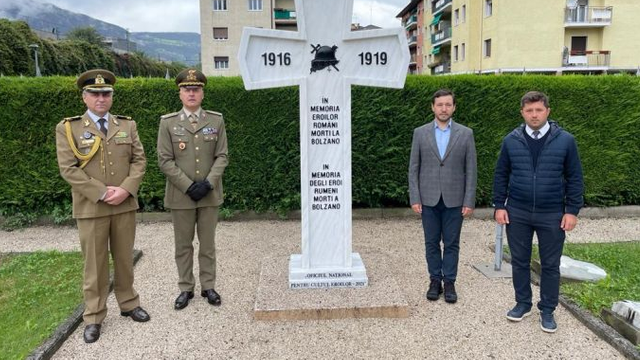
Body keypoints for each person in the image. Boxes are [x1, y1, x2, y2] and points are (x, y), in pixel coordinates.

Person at [55, 69, 150, 344]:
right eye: (95, 93)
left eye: (105, 93)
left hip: (123, 204)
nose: (101, 98)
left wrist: (126, 189)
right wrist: (100, 192)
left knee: (124, 259)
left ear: (111, 96)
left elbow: (139, 161)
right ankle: (94, 316)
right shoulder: (69, 128)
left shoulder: (126, 125)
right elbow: (68, 169)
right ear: (85, 97)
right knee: (94, 265)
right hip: (91, 207)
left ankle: (129, 303)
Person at [493, 91, 584, 333]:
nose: (534, 115)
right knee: (519, 261)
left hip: (552, 213)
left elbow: (575, 177)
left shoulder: (565, 140)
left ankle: (547, 310)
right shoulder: (511, 140)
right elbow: (501, 175)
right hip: (518, 212)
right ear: (522, 112)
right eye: (529, 111)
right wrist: (499, 206)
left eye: (539, 110)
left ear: (547, 111)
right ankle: (523, 303)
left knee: (550, 264)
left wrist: (572, 211)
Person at [157, 68, 228, 310]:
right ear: (180, 94)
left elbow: (222, 156)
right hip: (181, 196)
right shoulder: (168, 123)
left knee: (207, 244)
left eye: (196, 89)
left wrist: (208, 183)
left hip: (209, 194)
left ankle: (208, 286)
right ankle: (185, 288)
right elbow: (165, 160)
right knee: (183, 245)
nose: (191, 93)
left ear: (202, 93)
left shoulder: (215, 120)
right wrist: (188, 186)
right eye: (187, 89)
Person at [408, 89, 477, 303]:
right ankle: (434, 280)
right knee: (431, 242)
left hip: (455, 199)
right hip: (428, 198)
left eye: (448, 104)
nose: (444, 108)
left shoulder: (466, 134)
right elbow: (414, 168)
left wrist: (469, 200)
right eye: (440, 105)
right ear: (433, 107)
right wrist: (415, 197)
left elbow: (471, 169)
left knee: (452, 243)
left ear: (454, 107)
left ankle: (449, 283)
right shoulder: (420, 133)